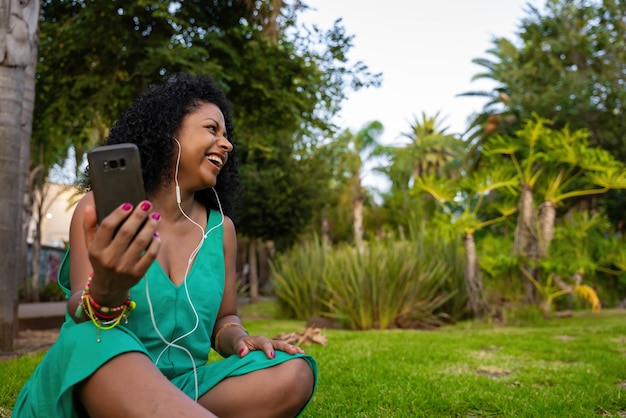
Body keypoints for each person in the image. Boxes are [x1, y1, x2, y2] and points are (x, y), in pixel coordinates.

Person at [13, 73, 317, 417]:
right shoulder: (100, 210)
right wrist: (105, 295)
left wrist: (239, 339)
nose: (227, 143)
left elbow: (225, 318)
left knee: (293, 371)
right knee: (98, 341)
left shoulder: (222, 230)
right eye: (211, 129)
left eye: (226, 135)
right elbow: (77, 311)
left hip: (189, 386)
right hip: (102, 373)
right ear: (168, 131)